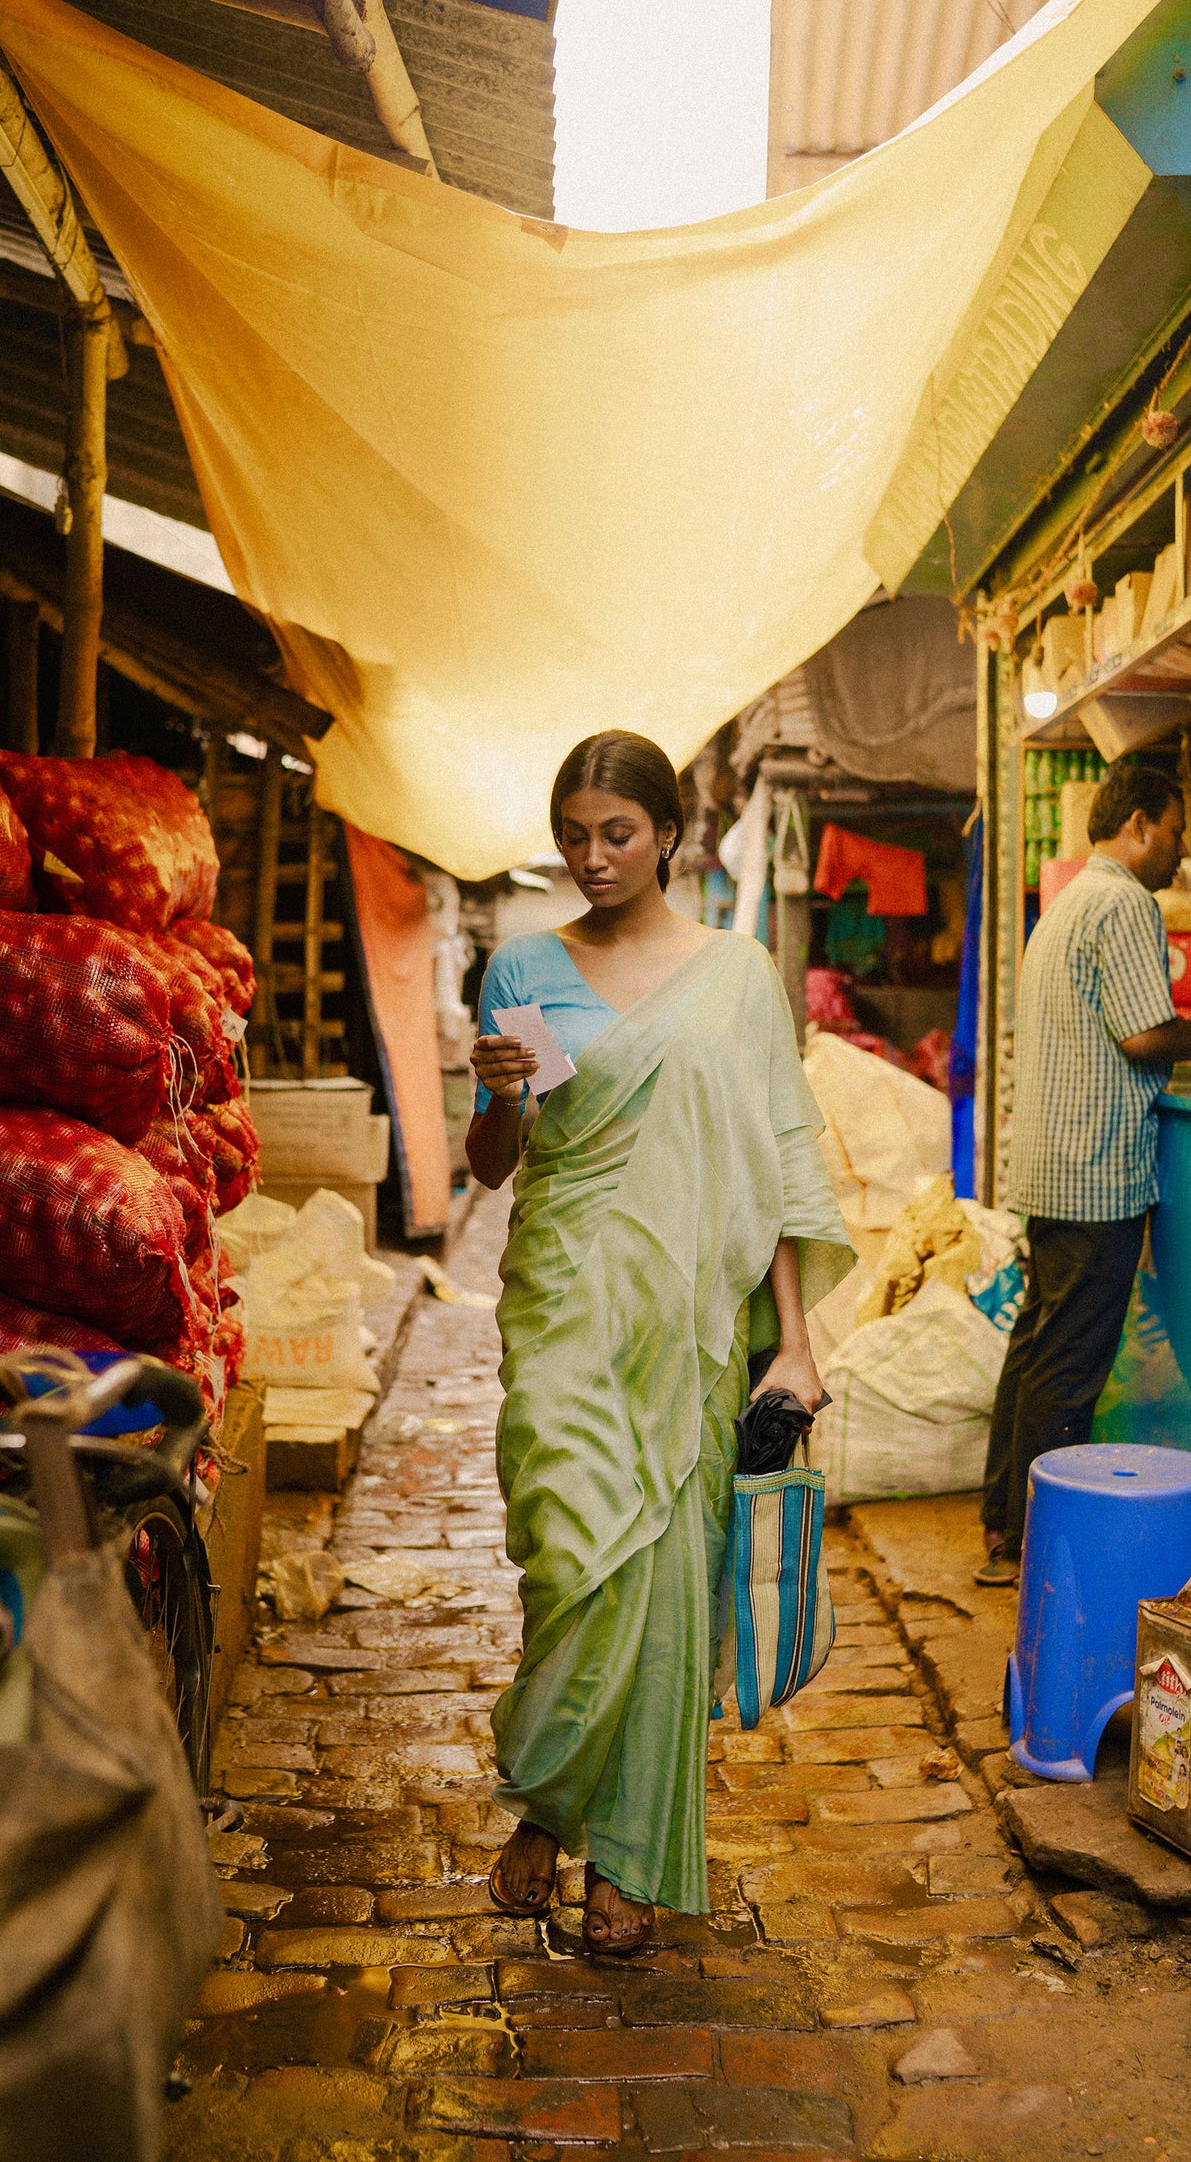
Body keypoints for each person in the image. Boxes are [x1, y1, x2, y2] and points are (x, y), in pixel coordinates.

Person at [466, 731, 852, 1952]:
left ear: (669, 836)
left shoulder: (735, 974)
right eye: (572, 833)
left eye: (615, 832)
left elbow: (777, 1161)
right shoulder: (524, 963)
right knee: (570, 1561)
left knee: (665, 1578)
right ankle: (547, 1786)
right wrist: (496, 1095)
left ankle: (617, 1858)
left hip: (686, 1331)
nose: (591, 855)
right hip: (565, 1312)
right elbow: (495, 1160)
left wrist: (793, 1343)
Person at [976, 760, 1191, 1588]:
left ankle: (1004, 1524)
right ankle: (1035, 1551)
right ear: (1137, 823)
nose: (1178, 855)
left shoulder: (1068, 901)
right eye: (1174, 832)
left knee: (1036, 1350)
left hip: (1053, 1165)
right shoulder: (1123, 903)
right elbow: (1144, 1036)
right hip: (1096, 1171)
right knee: (1068, 1368)